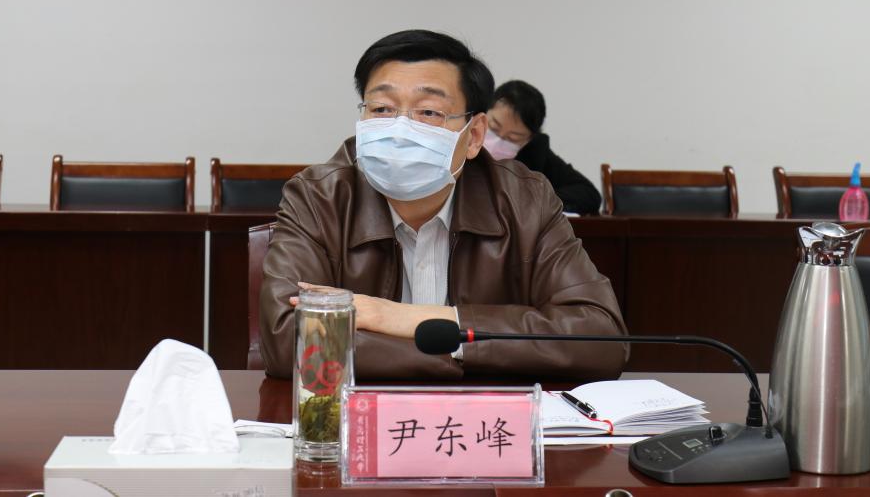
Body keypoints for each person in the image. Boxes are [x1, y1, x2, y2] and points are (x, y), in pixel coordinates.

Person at [259, 30, 626, 380]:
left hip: (483, 419)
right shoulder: (318, 198)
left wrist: (396, 317)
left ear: (474, 135)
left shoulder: (525, 201)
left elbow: (600, 337)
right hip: (360, 417)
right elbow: (287, 340)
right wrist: (460, 352)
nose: (400, 130)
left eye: (429, 112)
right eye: (382, 108)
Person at [484, 80, 602, 216]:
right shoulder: (464, 135)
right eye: (494, 127)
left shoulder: (535, 152)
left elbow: (588, 194)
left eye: (513, 138)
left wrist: (532, 201)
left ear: (529, 139)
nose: (498, 141)